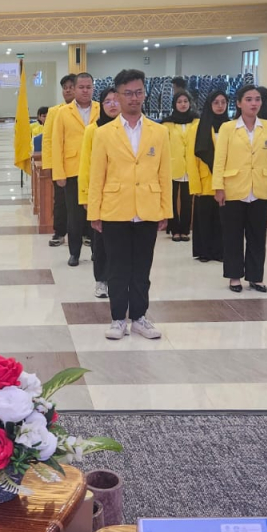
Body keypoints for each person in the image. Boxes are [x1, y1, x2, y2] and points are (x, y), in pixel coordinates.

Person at [88, 69, 170, 341]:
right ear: (117, 96)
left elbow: (164, 174)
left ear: (144, 94)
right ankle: (116, 319)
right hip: (114, 209)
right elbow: (96, 175)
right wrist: (94, 212)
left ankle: (138, 318)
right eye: (128, 93)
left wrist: (165, 210)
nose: (134, 98)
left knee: (142, 268)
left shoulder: (159, 132)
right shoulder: (103, 133)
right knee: (118, 268)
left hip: (147, 208)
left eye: (138, 92)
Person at [214, 86, 267, 294]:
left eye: (257, 99)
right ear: (239, 103)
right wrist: (218, 187)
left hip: (259, 187)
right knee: (233, 235)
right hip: (233, 188)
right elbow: (219, 160)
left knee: (258, 235)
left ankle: (255, 276)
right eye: (249, 99)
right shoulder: (228, 127)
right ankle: (234, 276)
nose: (254, 103)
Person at [49, 72, 100, 267]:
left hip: (97, 169)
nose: (85, 91)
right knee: (74, 215)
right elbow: (57, 143)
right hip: (72, 171)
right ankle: (74, 253)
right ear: (75, 89)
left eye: (89, 87)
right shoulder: (63, 112)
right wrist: (59, 174)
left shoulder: (101, 108)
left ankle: (97, 251)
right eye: (81, 87)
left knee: (95, 214)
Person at [77, 87, 120, 299]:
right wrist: (85, 196)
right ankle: (101, 280)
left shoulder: (129, 128)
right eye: (108, 101)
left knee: (122, 244)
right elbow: (85, 165)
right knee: (101, 241)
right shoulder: (93, 130)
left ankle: (117, 280)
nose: (113, 105)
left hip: (125, 195)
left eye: (116, 100)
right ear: (101, 106)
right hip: (102, 195)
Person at [189, 90, 229, 263]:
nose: (220, 106)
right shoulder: (199, 126)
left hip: (226, 181)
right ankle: (204, 251)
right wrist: (195, 185)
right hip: (205, 181)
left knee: (223, 219)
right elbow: (192, 158)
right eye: (216, 102)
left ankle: (220, 251)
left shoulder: (232, 126)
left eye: (223, 102)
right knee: (204, 218)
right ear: (209, 105)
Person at [44, 74, 78, 247]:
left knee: (85, 201)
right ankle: (59, 232)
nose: (68, 90)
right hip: (62, 165)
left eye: (72, 86)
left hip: (83, 165)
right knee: (61, 201)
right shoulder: (54, 111)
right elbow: (48, 139)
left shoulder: (90, 109)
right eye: (65, 87)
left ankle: (86, 233)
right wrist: (49, 164)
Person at [162, 91, 197, 242]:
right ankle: (174, 229)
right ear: (174, 104)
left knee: (187, 201)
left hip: (191, 166)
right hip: (171, 166)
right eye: (179, 102)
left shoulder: (197, 121)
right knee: (170, 199)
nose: (183, 104)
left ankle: (185, 230)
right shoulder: (166, 123)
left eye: (185, 101)